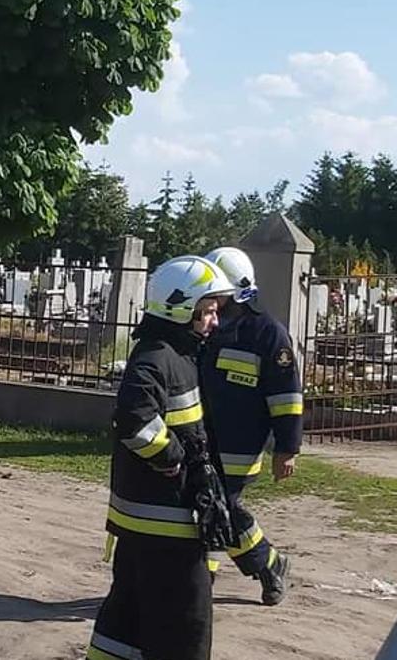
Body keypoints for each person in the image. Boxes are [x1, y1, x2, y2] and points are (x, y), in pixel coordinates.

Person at [88, 255, 236, 660]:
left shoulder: (174, 354)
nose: (214, 321)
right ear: (180, 308)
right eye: (206, 312)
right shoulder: (158, 358)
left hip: (146, 525)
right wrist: (172, 458)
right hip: (168, 527)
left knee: (127, 619)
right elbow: (134, 419)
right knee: (184, 628)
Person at [200, 246, 300, 605]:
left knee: (220, 506)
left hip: (241, 445)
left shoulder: (267, 334)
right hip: (202, 440)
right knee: (207, 507)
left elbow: (286, 397)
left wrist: (287, 448)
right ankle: (203, 581)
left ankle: (269, 564)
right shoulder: (205, 327)